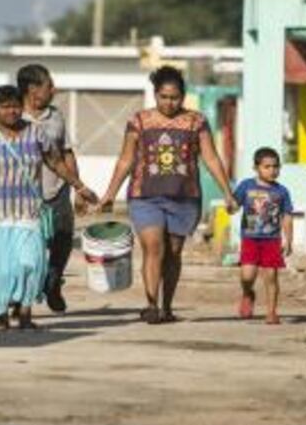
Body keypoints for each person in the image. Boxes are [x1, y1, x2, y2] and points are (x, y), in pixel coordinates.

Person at [0, 85, 97, 330]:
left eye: (15, 106)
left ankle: (25, 313)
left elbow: (56, 162)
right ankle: (1, 313)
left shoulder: (36, 133)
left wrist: (79, 186)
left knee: (30, 263)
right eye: (5, 107)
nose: (11, 112)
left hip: (27, 212)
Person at [98, 66, 238, 324]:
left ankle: (167, 306)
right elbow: (126, 159)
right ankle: (151, 305)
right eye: (163, 97)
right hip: (144, 196)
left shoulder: (196, 121)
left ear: (183, 96)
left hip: (184, 196)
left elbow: (211, 157)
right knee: (154, 248)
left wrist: (227, 193)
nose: (169, 103)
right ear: (155, 95)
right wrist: (110, 193)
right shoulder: (139, 121)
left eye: (174, 97)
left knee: (173, 253)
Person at [17, 64, 80, 313]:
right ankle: (20, 299)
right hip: (23, 196)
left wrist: (78, 187)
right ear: (33, 90)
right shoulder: (13, 115)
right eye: (49, 86)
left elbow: (66, 152)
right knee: (26, 249)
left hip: (58, 190)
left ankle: (53, 283)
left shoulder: (56, 116)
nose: (54, 90)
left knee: (62, 241)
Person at [233, 147, 294, 325]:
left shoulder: (282, 191)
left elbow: (287, 216)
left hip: (272, 240)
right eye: (267, 167)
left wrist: (289, 239)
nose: (272, 170)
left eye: (276, 167)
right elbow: (234, 205)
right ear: (256, 167)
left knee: (271, 276)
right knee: (247, 276)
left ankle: (272, 312)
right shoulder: (246, 186)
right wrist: (229, 205)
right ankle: (247, 293)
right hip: (250, 238)